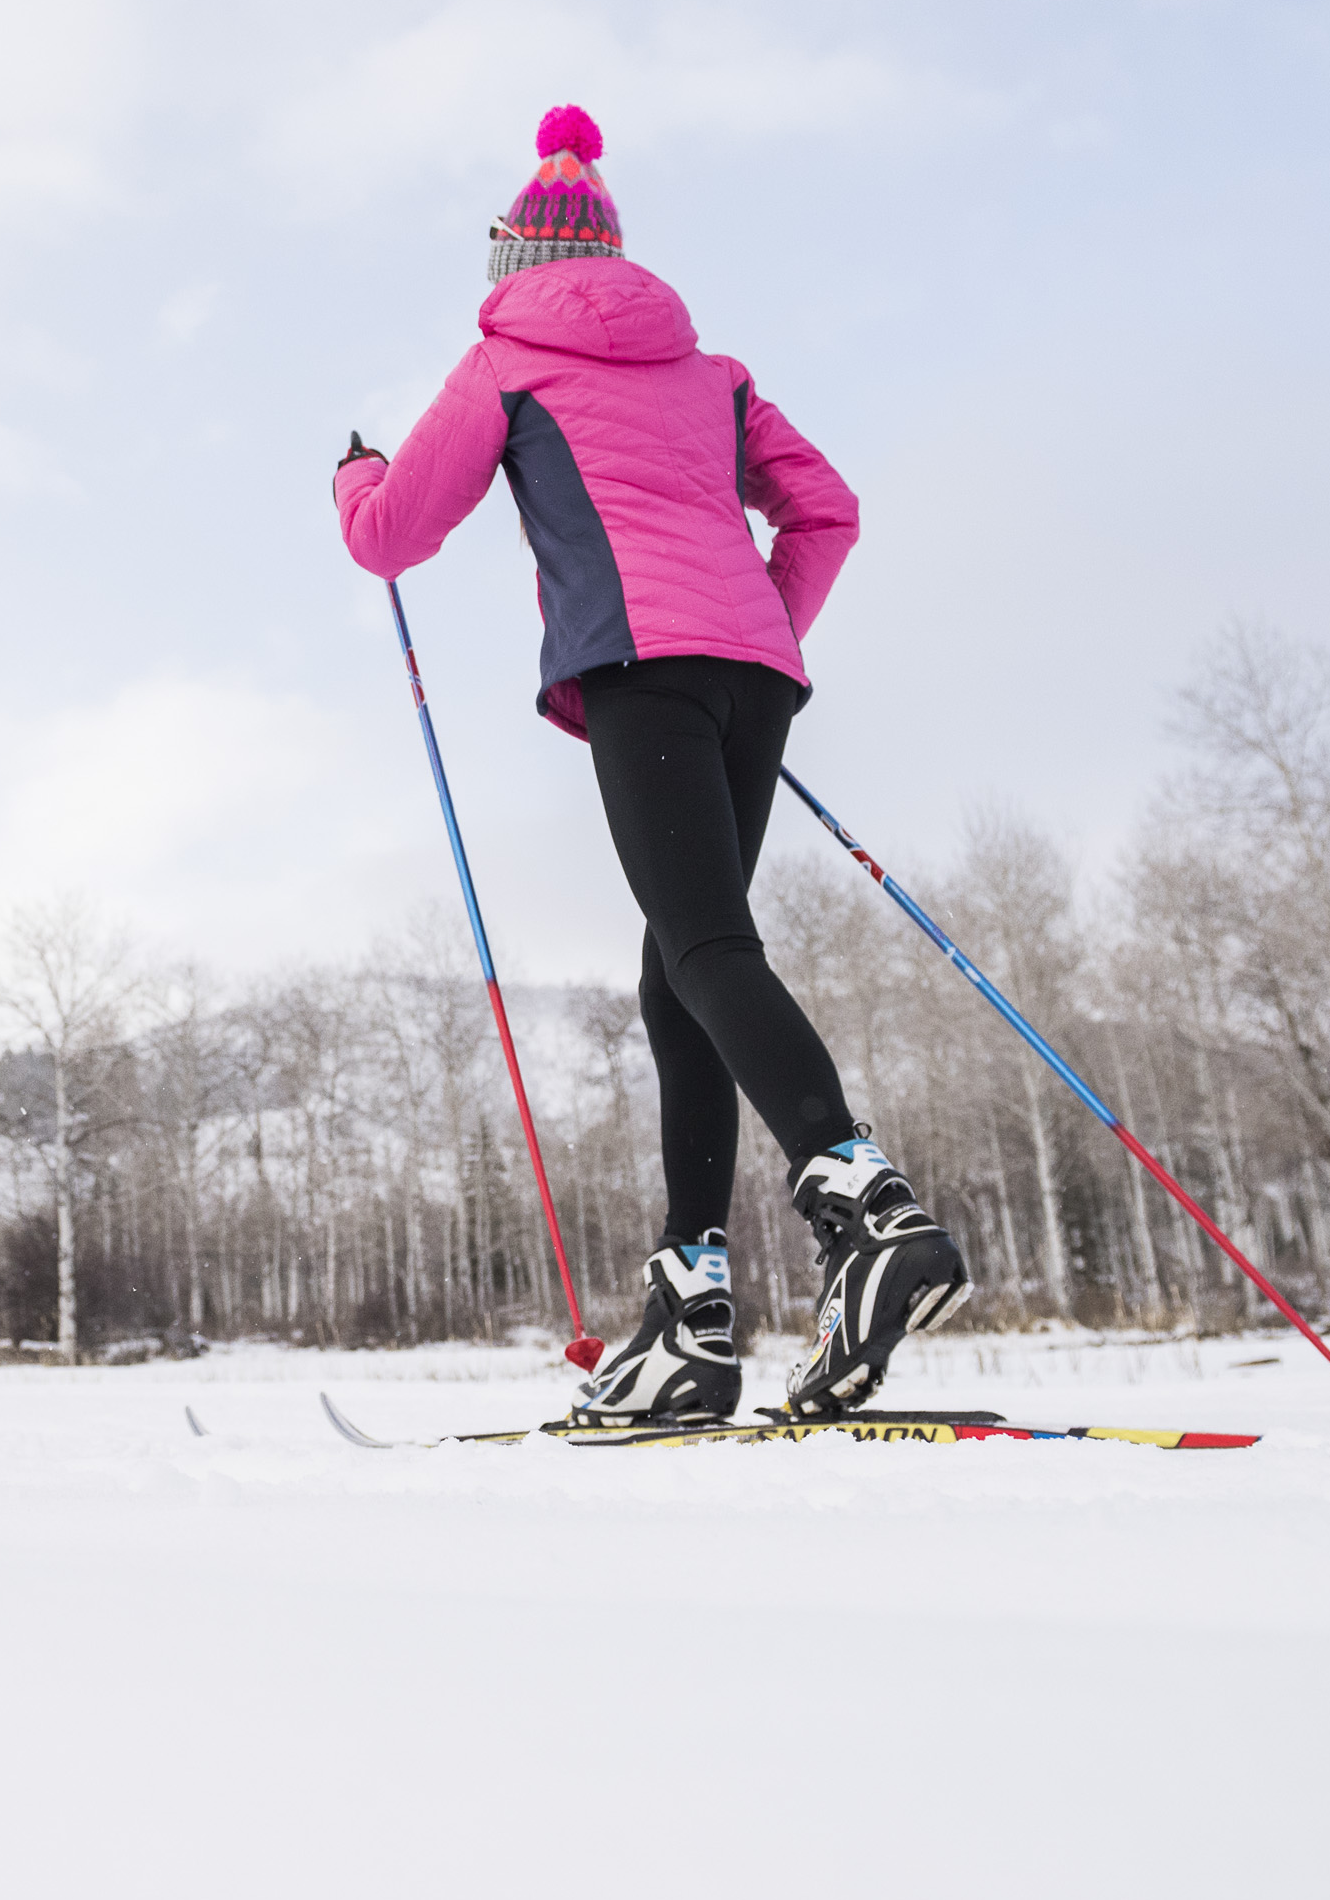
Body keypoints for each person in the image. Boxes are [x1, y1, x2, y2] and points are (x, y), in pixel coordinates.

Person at [333, 105, 972, 1424]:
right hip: (753, 676)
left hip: (642, 671)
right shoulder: (714, 373)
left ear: (518, 260)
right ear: (618, 257)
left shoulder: (505, 356)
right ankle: (694, 1311)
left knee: (702, 952)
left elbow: (395, 536)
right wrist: (765, 626)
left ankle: (867, 1206)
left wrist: (357, 478)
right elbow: (827, 507)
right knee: (678, 968)